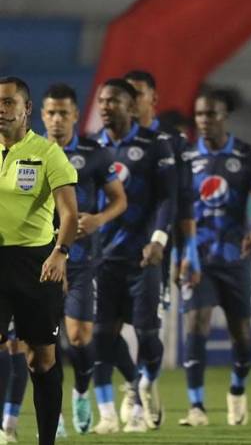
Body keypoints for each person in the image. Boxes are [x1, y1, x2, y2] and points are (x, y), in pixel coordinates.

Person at [177, 88, 251, 427]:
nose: (204, 121)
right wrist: (185, 255)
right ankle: (196, 407)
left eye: (211, 114)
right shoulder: (186, 157)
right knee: (195, 326)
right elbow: (181, 210)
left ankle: (237, 387)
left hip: (235, 257)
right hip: (199, 258)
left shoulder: (246, 155)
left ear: (224, 116)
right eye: (200, 114)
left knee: (242, 339)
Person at [40, 83, 128, 434]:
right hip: (41, 261)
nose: (58, 120)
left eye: (64, 113)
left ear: (76, 115)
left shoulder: (95, 153)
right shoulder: (31, 153)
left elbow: (119, 200)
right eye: (51, 113)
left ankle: (80, 392)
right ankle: (54, 412)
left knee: (78, 338)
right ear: (42, 115)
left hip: (82, 261)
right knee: (44, 342)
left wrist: (97, 220)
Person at [90, 78, 177, 434]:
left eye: (114, 101)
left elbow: (168, 198)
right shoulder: (91, 147)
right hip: (102, 257)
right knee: (102, 336)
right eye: (102, 101)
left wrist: (158, 240)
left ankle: (144, 391)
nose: (106, 106)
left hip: (143, 256)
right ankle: (120, 404)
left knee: (146, 332)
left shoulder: (155, 144)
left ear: (130, 106)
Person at [0, 76, 79, 445]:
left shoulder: (48, 154)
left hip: (36, 264)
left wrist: (60, 253)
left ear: (26, 108)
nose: (1, 109)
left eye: (9, 102)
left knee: (41, 360)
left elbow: (70, 214)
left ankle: (45, 440)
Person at [124, 69, 195, 428]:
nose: (131, 101)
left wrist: (188, 254)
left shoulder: (172, 142)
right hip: (111, 250)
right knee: (108, 329)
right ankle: (129, 389)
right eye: (126, 94)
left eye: (137, 94)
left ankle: (143, 384)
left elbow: (181, 203)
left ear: (153, 98)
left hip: (156, 249)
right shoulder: (106, 141)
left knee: (146, 329)